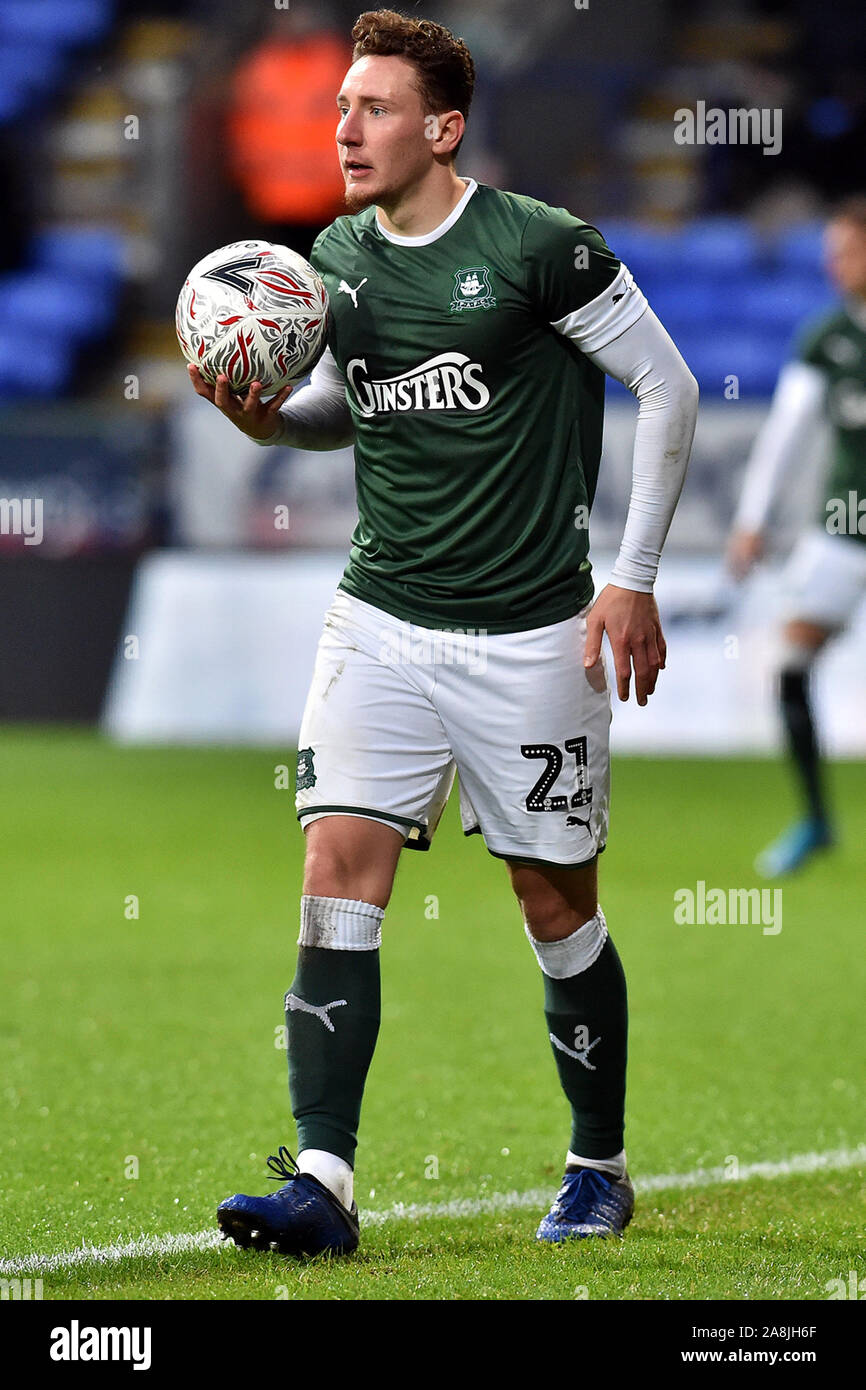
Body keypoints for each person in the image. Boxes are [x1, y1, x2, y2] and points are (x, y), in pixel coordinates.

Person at [189, 9, 698, 1257]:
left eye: (371, 108)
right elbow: (342, 413)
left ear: (443, 127)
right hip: (381, 619)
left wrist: (628, 580)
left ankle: (596, 1163)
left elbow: (669, 385)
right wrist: (264, 419)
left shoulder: (541, 251)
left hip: (533, 637)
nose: (344, 127)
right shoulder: (334, 258)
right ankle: (321, 1182)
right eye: (342, 107)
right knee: (334, 873)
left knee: (551, 902)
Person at [727, 197, 866, 879]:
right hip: (844, 530)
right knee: (790, 664)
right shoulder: (828, 337)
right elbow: (786, 436)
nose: (834, 264)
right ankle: (816, 819)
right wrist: (754, 519)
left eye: (847, 250)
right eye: (832, 251)